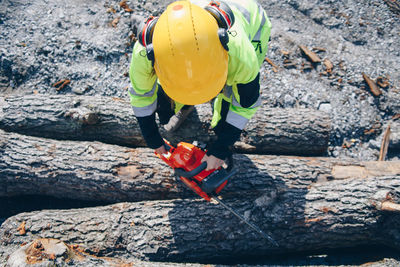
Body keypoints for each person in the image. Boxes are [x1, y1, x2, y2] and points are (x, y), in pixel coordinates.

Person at [129, 0, 271, 170]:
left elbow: (245, 104)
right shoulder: (146, 51)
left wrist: (221, 148)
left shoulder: (240, 53)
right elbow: (141, 95)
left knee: (227, 111)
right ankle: (186, 105)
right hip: (194, 25)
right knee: (163, 104)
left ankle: (219, 126)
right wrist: (152, 138)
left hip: (253, 25)